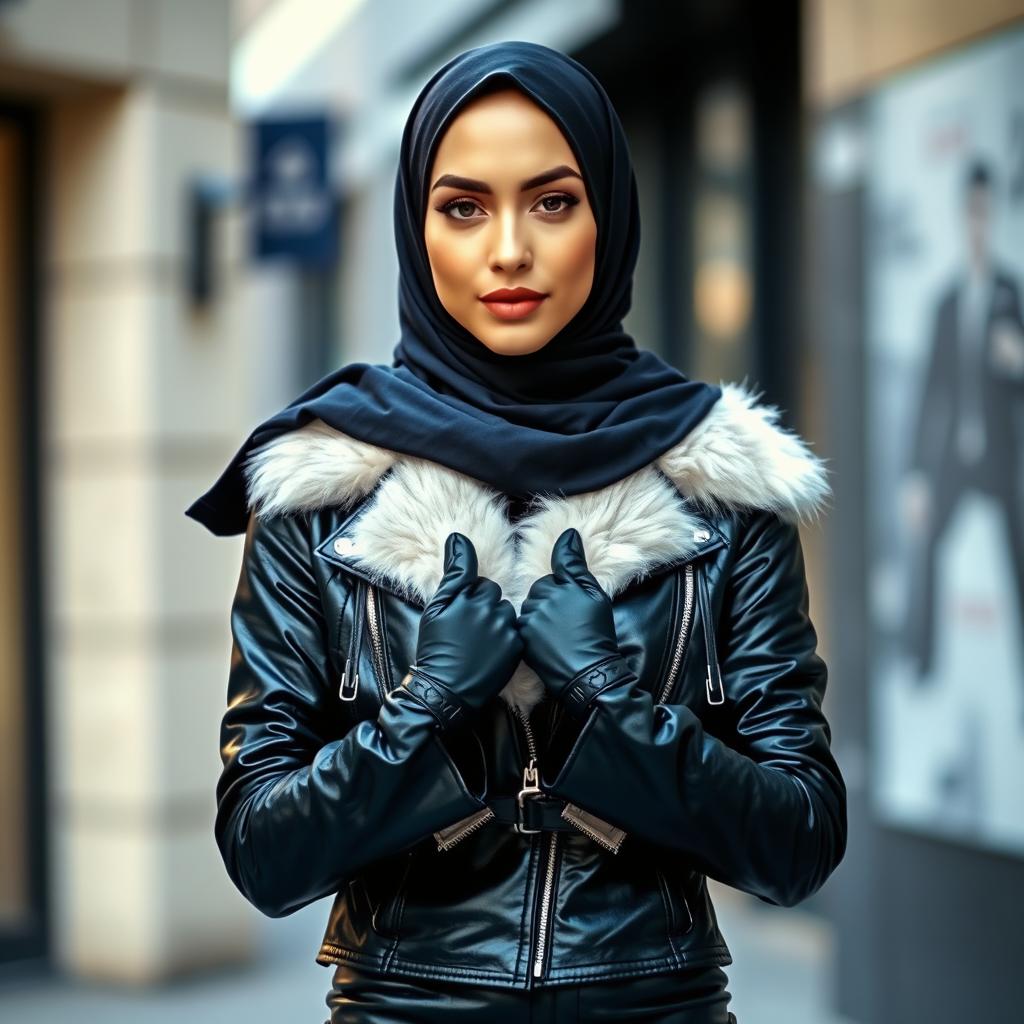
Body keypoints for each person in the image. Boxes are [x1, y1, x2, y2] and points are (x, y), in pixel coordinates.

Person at [185, 40, 847, 1024]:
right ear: (418, 227)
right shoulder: (319, 492)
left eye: (551, 201)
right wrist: (427, 707)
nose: (507, 249)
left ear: (608, 217)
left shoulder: (720, 484)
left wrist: (610, 702)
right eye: (463, 207)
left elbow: (797, 843)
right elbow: (262, 852)